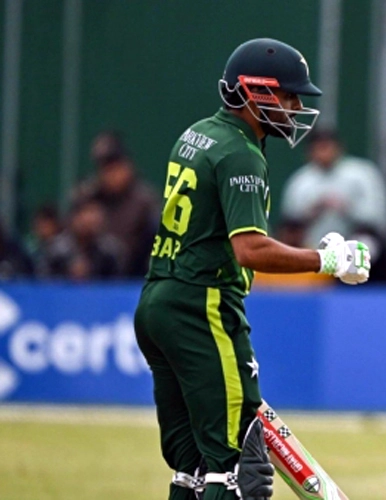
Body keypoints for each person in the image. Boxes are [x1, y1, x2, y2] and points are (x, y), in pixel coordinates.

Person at [133, 38, 371, 500]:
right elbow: (250, 249)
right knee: (236, 467)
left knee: (190, 469)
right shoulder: (241, 152)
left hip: (157, 301)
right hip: (201, 305)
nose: (297, 107)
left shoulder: (198, 132)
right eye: (289, 95)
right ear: (256, 93)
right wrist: (327, 261)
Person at [280, 128, 386, 247]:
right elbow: (289, 223)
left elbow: (376, 218)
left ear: (339, 148)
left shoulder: (362, 174)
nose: (324, 152)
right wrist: (313, 211)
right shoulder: (300, 181)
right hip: (313, 247)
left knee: (370, 242)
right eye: (319, 147)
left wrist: (345, 208)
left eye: (327, 146)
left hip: (357, 245)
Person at [73, 130, 160, 276]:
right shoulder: (89, 198)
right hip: (90, 279)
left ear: (127, 166)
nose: (110, 174)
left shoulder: (144, 202)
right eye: (104, 168)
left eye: (114, 167)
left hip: (130, 280)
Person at [39, 199, 122, 280]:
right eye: (86, 213)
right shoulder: (55, 250)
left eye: (95, 214)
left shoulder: (109, 251)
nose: (91, 219)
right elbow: (43, 282)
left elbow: (118, 284)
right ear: (74, 218)